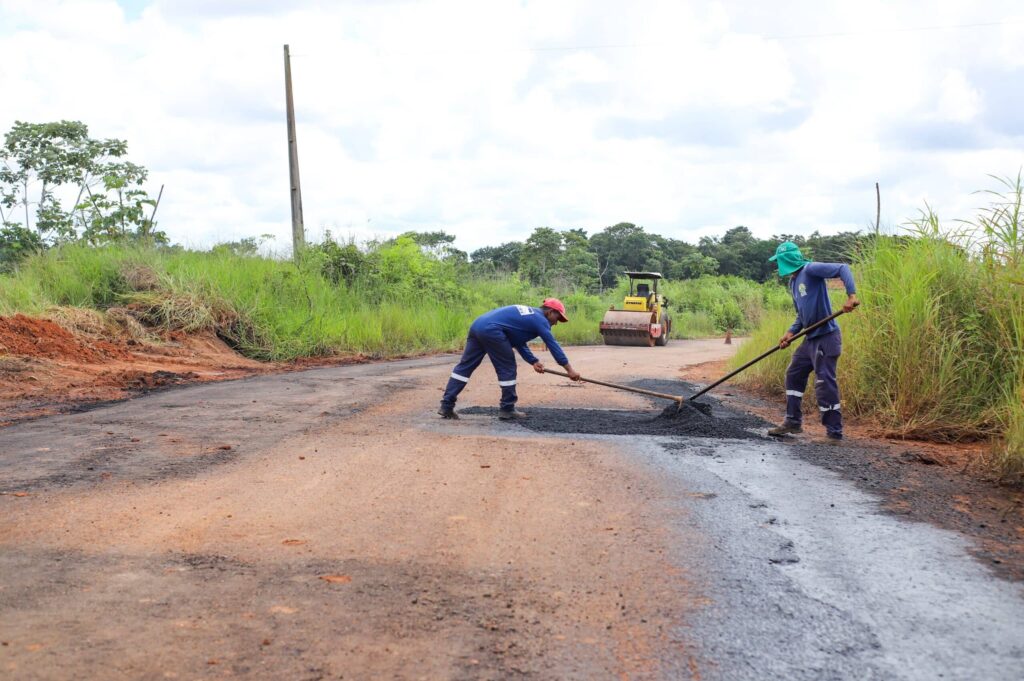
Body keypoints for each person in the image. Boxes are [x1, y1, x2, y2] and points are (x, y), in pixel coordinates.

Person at [766, 241, 859, 441]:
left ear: (786, 260)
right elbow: (802, 314)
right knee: (794, 373)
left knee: (824, 382)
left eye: (779, 261)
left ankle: (834, 433)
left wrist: (851, 296)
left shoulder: (811, 269)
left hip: (826, 337)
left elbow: (843, 268)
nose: (777, 265)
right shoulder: (793, 282)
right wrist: (790, 333)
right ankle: (793, 421)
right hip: (810, 339)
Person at [438, 299, 581, 420]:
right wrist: (570, 370)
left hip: (478, 325)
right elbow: (553, 345)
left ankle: (446, 406)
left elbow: (518, 341)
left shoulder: (530, 315)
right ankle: (507, 408)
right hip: (492, 330)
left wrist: (533, 361)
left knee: (465, 367)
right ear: (550, 312)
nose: (556, 323)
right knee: (507, 368)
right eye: (557, 318)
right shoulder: (540, 320)